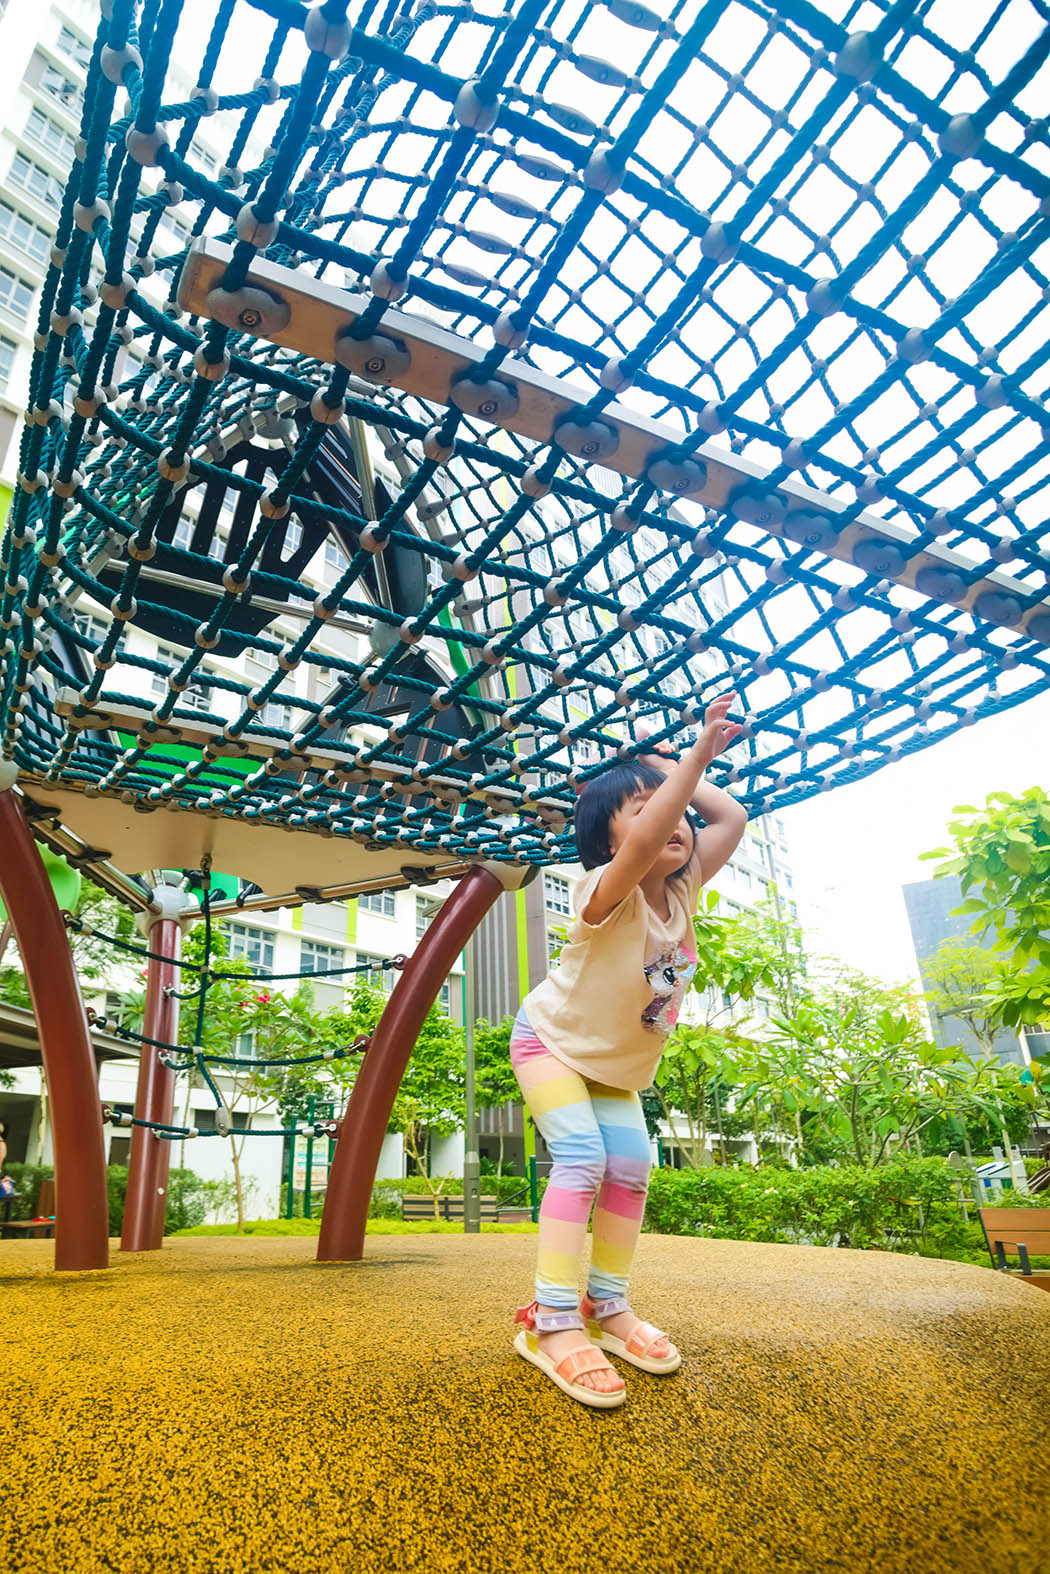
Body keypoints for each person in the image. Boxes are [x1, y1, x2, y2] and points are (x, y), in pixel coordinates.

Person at [511, 693, 746, 1408]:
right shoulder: (604, 890)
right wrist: (697, 755)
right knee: (582, 1159)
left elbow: (730, 818)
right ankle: (550, 1322)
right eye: (642, 808)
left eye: (672, 805)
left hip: (613, 1065)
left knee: (634, 1168)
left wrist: (654, 760)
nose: (669, 818)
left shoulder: (685, 888)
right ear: (609, 841)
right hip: (550, 1043)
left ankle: (606, 1308)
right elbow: (645, 844)